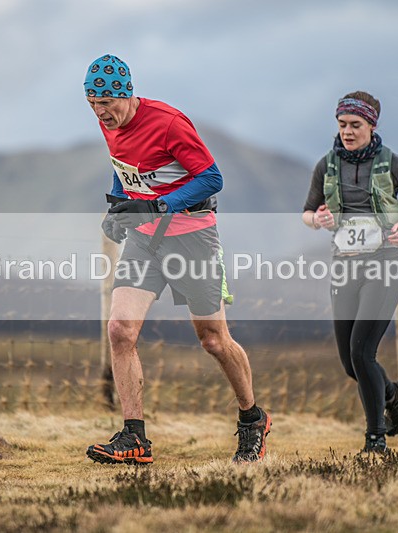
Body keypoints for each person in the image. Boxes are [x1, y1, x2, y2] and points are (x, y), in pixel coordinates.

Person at [83, 54, 271, 465]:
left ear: (127, 95)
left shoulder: (168, 122)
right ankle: (135, 437)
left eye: (107, 103)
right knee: (119, 330)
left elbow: (211, 178)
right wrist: (119, 207)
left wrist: (157, 206)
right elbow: (124, 166)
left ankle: (252, 419)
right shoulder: (106, 122)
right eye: (92, 103)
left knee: (213, 340)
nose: (100, 112)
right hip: (145, 242)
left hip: (193, 238)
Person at [302, 91, 398, 453]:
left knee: (363, 354)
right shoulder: (326, 165)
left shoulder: (394, 164)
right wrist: (319, 220)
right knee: (351, 364)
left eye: (355, 125)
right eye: (342, 124)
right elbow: (307, 212)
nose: (347, 131)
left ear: (371, 125)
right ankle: (395, 393)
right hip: (344, 267)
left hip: (385, 262)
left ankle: (376, 439)